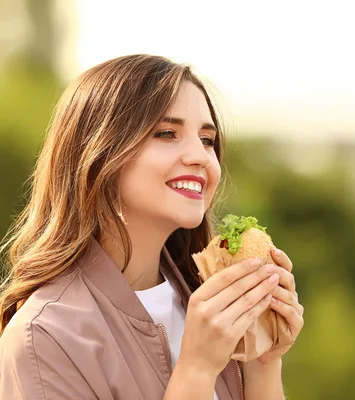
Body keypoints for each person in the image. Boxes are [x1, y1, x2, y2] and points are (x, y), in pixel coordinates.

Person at [0, 54, 304, 400]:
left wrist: (262, 362)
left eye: (207, 139)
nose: (201, 157)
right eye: (167, 133)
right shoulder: (46, 338)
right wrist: (196, 370)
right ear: (100, 154)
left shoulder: (208, 303)